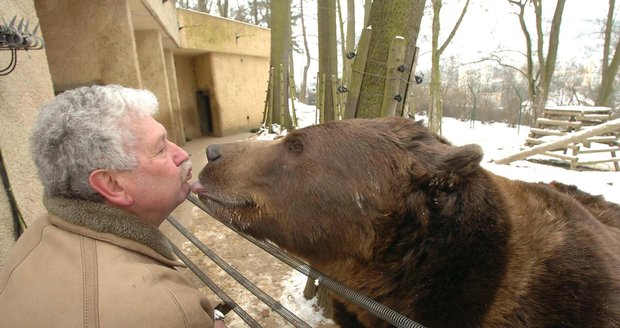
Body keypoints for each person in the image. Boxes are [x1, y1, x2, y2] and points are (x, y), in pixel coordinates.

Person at [0, 85, 226, 328]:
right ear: (112, 184)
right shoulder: (164, 309)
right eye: (160, 148)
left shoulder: (35, 236)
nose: (182, 153)